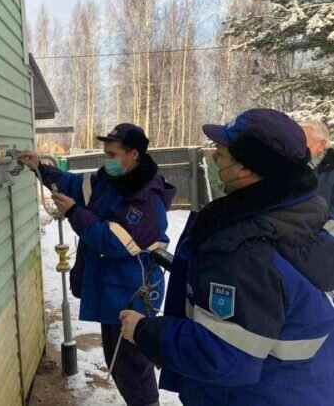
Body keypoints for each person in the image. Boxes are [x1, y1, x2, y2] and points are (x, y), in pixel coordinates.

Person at [120, 109, 334, 406]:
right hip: (304, 387)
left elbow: (222, 357)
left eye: (220, 153)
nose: (213, 159)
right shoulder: (305, 216)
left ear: (246, 167)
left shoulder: (242, 248)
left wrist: (144, 331)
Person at [20, 124, 176, 406]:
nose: (107, 160)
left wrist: (75, 213)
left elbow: (113, 243)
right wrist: (40, 168)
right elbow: (74, 185)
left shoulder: (146, 197)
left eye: (112, 155)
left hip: (132, 295)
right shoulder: (111, 180)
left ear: (134, 155)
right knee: (117, 361)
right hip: (113, 291)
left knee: (132, 364)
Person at [300, 120, 334, 215]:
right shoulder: (291, 165)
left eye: (302, 140)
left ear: (321, 145)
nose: (295, 144)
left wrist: (326, 230)